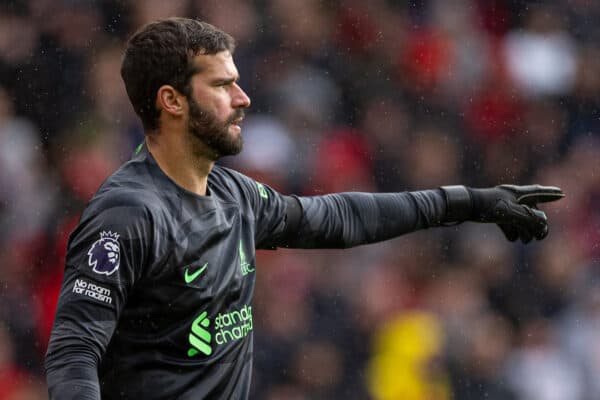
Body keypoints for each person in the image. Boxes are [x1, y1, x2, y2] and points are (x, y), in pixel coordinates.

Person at [44, 18, 564, 400]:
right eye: (223, 85)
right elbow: (73, 354)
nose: (243, 98)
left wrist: (469, 202)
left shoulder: (235, 196)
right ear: (172, 101)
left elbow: (339, 219)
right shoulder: (128, 215)